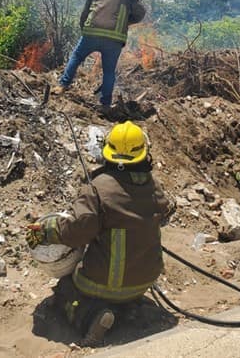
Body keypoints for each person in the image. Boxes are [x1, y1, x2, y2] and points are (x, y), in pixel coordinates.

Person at [27, 121, 171, 346]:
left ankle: (89, 317)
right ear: (144, 154)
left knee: (66, 288)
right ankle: (132, 308)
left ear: (108, 153)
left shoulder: (99, 188)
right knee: (126, 287)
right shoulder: (155, 187)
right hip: (146, 280)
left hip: (104, 284)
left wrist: (44, 231)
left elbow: (76, 231)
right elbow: (165, 211)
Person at [53, 0, 146, 111]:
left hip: (91, 33)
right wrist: (126, 22)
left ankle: (62, 86)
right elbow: (141, 13)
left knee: (77, 56)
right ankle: (105, 104)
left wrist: (85, 31)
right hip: (114, 37)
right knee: (109, 71)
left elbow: (84, 16)